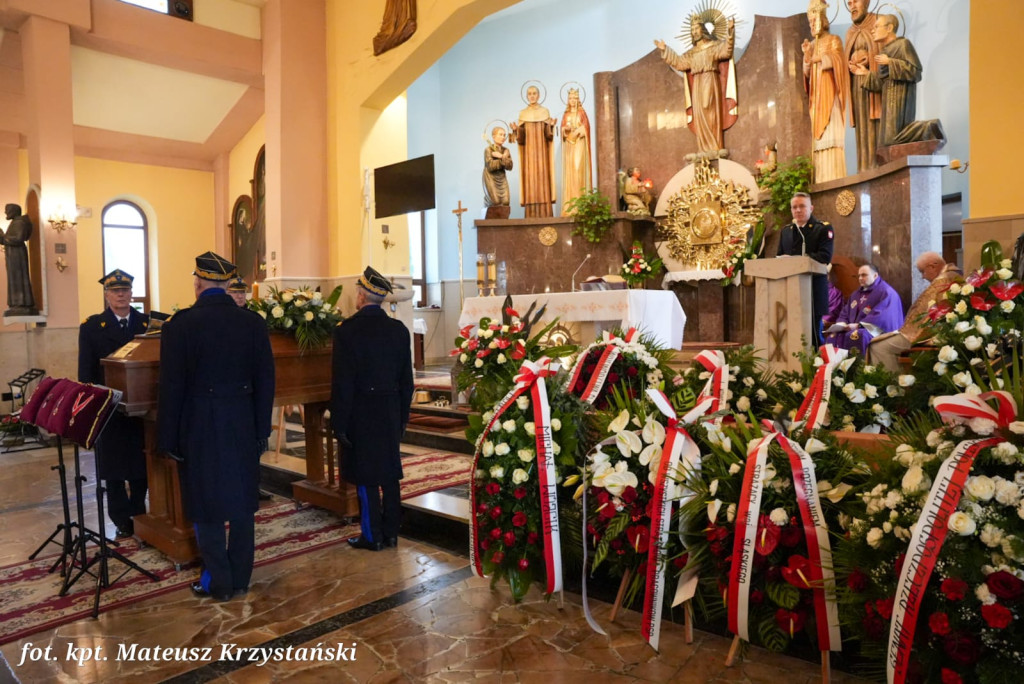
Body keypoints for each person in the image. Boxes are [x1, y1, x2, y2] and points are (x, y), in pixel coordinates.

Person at [157, 251, 274, 601]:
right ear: (226, 285)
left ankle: (217, 582)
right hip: (242, 420)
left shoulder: (179, 325)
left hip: (198, 423)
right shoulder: (252, 323)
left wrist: (169, 437)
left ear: (197, 283)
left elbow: (172, 387)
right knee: (241, 500)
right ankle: (241, 578)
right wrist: (261, 430)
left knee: (204, 501)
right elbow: (266, 381)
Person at [331, 266, 413, 551]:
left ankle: (372, 535)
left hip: (361, 411)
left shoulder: (347, 332)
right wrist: (403, 416)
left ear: (363, 295)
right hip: (390, 409)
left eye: (358, 291)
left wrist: (339, 423)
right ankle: (391, 532)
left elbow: (343, 383)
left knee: (366, 475)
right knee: (390, 473)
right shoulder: (399, 330)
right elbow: (407, 381)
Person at [78, 269, 149, 538]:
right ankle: (120, 518)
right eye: (115, 291)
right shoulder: (93, 327)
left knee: (141, 463)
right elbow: (85, 373)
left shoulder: (147, 324)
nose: (121, 294)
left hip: (141, 406)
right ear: (107, 295)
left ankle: (139, 509)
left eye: (125, 290)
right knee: (114, 467)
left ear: (131, 293)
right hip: (110, 408)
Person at [851, 14, 944, 148]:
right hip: (889, 99)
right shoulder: (885, 50)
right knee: (886, 141)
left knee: (892, 139)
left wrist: (891, 62)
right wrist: (866, 74)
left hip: (902, 97)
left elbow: (915, 72)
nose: (872, 30)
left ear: (889, 28)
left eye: (876, 27)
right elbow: (883, 82)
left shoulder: (903, 44)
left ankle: (930, 127)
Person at [654, 14, 736, 155]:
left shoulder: (713, 46)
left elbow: (727, 51)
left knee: (708, 107)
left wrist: (730, 31)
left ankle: (714, 145)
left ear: (703, 29)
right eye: (692, 29)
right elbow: (679, 63)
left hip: (709, 79)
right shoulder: (692, 53)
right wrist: (665, 50)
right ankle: (704, 148)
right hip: (697, 84)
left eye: (696, 28)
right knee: (700, 114)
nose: (694, 32)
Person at [869, 252, 960, 369]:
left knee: (879, 346)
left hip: (931, 334)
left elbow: (931, 314)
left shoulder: (943, 280)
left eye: (923, 271)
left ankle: (893, 385)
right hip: (934, 331)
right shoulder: (953, 275)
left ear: (932, 266)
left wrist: (907, 330)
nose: (923, 276)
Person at [776, 192, 834, 348]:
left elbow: (824, 257)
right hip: (790, 290)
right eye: (794, 207)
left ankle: (816, 368)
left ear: (811, 208)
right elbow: (779, 256)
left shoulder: (822, 228)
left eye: (802, 206)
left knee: (813, 336)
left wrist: (796, 260)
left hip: (813, 290)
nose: (798, 210)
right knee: (791, 337)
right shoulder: (786, 231)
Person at [803, 2, 849, 183]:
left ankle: (835, 179)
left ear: (823, 20)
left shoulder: (834, 40)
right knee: (818, 142)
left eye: (814, 21)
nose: (812, 25)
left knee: (831, 134)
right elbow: (807, 75)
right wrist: (807, 57)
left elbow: (839, 61)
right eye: (809, 23)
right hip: (816, 98)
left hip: (831, 97)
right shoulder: (812, 44)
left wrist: (821, 58)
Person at [825, 263, 904, 357]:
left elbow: (883, 316)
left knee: (858, 335)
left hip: (877, 331)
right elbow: (845, 313)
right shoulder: (856, 294)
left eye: (864, 275)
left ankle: (860, 369)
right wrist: (842, 324)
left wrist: (857, 326)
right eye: (859, 276)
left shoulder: (886, 292)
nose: (860, 278)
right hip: (853, 328)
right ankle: (837, 370)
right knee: (833, 336)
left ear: (875, 275)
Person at [845, 0, 881, 171]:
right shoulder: (850, 32)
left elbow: (884, 48)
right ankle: (863, 168)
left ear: (866, 2)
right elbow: (844, 59)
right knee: (861, 130)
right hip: (857, 86)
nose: (852, 6)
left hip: (874, 86)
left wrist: (869, 57)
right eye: (849, 3)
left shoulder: (878, 22)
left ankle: (876, 167)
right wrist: (849, 64)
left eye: (856, 1)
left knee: (875, 125)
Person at [511, 85, 556, 218]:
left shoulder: (545, 112)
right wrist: (516, 130)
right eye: (529, 94)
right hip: (529, 155)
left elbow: (549, 136)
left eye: (534, 93)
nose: (532, 96)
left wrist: (551, 127)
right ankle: (531, 213)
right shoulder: (523, 114)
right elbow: (521, 138)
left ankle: (546, 212)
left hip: (542, 153)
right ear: (526, 97)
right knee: (530, 181)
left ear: (539, 95)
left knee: (543, 178)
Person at [1, 203, 38, 315]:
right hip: (13, 254)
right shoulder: (15, 222)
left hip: (17, 255)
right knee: (14, 279)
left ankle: (22, 302)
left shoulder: (19, 222)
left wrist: (2, 237)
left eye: (7, 210)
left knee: (19, 278)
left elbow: (17, 238)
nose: (5, 213)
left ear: (14, 211)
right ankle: (16, 303)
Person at [559, 87, 592, 212]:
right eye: (570, 98)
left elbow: (586, 128)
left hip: (579, 145)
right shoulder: (566, 115)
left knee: (578, 170)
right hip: (569, 146)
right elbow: (561, 131)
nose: (572, 100)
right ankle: (570, 204)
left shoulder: (582, 113)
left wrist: (580, 129)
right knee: (570, 173)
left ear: (578, 100)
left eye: (575, 98)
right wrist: (565, 130)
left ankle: (581, 203)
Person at [482, 126, 513, 211]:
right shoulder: (488, 150)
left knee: (506, 202)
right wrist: (503, 159)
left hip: (501, 178)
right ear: (493, 136)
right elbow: (491, 165)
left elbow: (510, 166)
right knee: (495, 202)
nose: (503, 137)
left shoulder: (506, 150)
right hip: (491, 177)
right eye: (500, 135)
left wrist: (500, 156)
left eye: (504, 135)